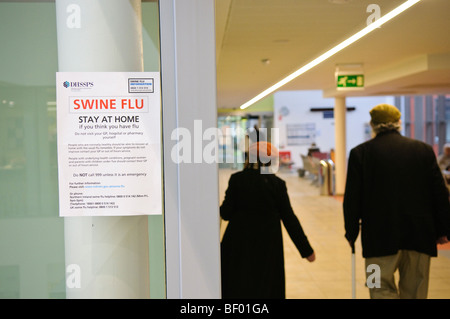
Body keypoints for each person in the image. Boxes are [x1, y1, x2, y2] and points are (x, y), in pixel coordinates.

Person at [343, 103, 450, 299]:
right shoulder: (424, 151)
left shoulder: (360, 153)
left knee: (377, 287)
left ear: (373, 124)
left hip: (376, 239)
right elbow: (439, 194)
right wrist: (444, 229)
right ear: (399, 123)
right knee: (416, 290)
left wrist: (351, 231)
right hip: (419, 236)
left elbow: (352, 198)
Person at [220, 141, 315, 299]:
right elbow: (289, 219)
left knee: (238, 287)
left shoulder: (237, 180)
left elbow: (226, 213)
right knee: (266, 288)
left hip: (238, 247)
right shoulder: (277, 185)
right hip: (268, 248)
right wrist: (307, 251)